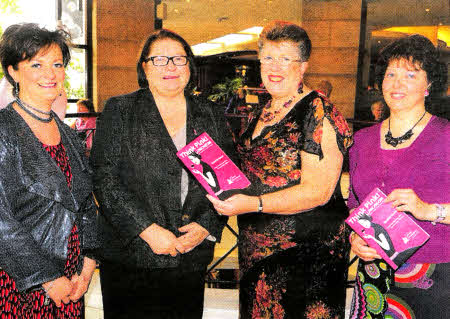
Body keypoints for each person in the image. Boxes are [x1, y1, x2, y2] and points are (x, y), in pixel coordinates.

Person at [207, 20, 353, 318]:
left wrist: (254, 204)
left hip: (305, 258)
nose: (275, 66)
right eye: (269, 58)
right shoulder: (262, 111)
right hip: (256, 255)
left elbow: (318, 192)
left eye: (286, 59)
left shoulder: (318, 112)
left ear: (303, 66)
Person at [90, 29, 233, 319]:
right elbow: (104, 179)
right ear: (144, 66)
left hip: (190, 256)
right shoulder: (121, 109)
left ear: (190, 67)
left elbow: (226, 179)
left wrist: (206, 226)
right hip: (131, 255)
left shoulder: (210, 113)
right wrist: (148, 230)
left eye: (179, 59)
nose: (170, 66)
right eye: (159, 59)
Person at [348, 34, 449, 319]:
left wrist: (427, 210)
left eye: (410, 74)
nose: (397, 83)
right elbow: (354, 203)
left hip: (436, 276)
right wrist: (356, 238)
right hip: (373, 276)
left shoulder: (446, 136)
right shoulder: (362, 141)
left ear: (429, 84)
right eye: (391, 73)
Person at [0, 23, 98, 318]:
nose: (50, 74)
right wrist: (45, 277)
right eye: (37, 64)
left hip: (71, 279)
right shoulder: (4, 129)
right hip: (21, 279)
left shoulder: (68, 134)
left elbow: (85, 204)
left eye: (57, 64)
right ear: (13, 71)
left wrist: (90, 261)